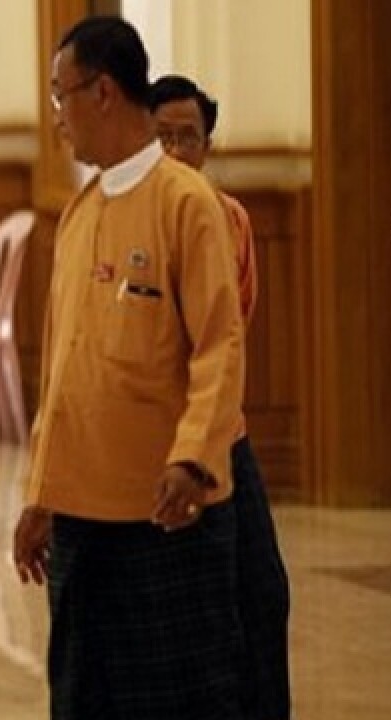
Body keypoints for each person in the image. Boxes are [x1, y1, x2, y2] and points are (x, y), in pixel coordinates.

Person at [12, 16, 247, 720]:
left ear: (104, 92)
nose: (58, 119)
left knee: (171, 701)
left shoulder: (186, 203)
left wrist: (192, 459)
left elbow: (219, 346)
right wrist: (39, 492)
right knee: (82, 698)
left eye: (62, 98)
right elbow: (62, 373)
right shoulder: (81, 212)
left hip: (162, 514)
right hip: (81, 519)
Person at [151, 73, 293, 720]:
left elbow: (226, 329)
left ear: (209, 144)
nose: (178, 151)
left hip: (222, 434)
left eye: (190, 138)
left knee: (261, 592)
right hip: (153, 440)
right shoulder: (129, 212)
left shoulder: (228, 218)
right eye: (164, 137)